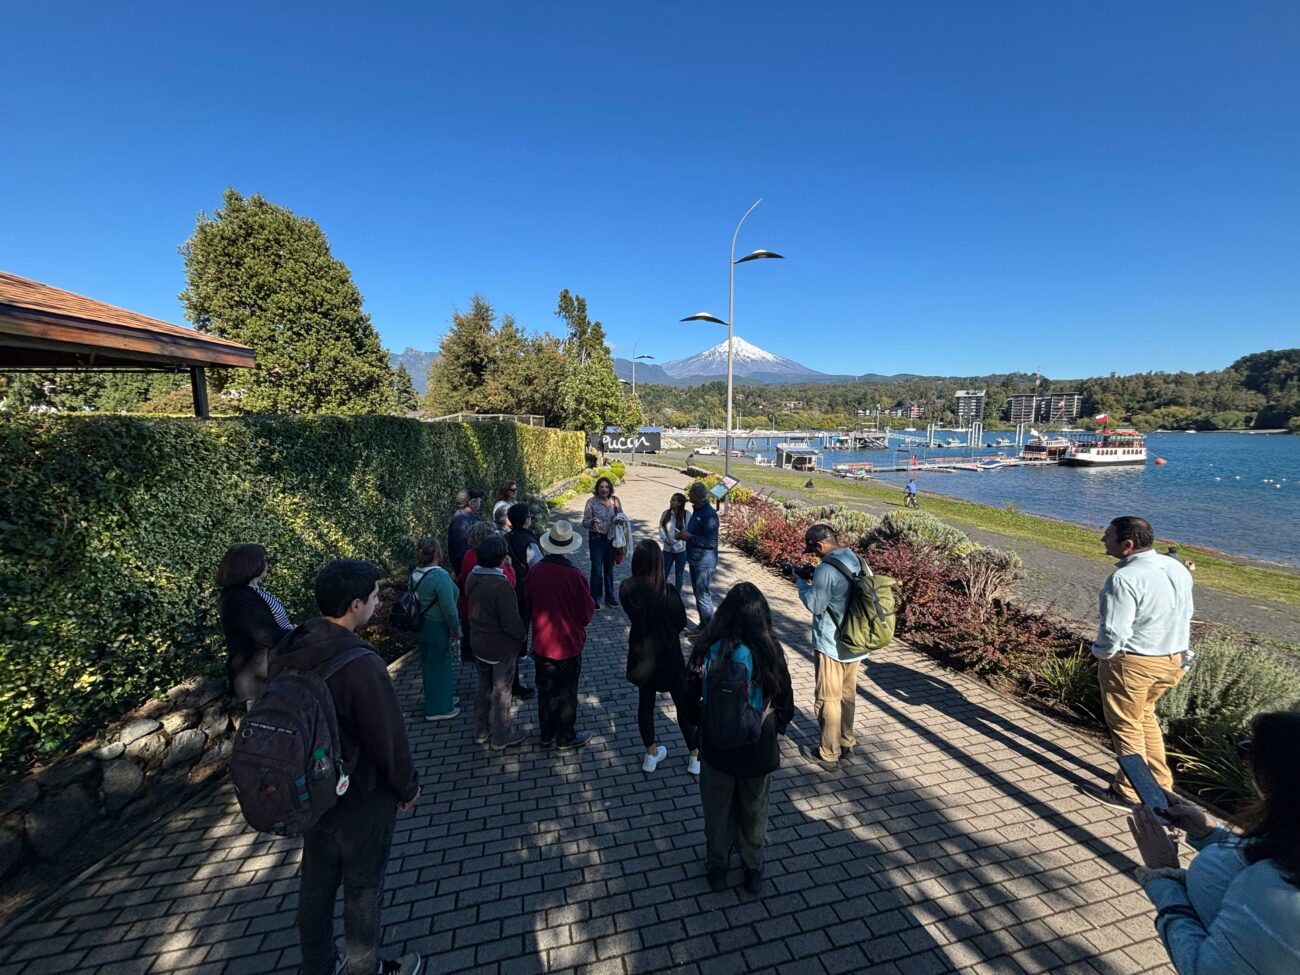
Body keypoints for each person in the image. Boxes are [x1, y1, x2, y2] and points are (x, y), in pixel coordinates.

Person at [270, 559, 421, 975]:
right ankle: (364, 968)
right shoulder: (359, 662)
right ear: (355, 604)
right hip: (360, 793)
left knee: (316, 883)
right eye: (374, 597)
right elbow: (386, 735)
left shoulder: (290, 648)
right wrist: (407, 785)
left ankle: (317, 965)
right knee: (363, 887)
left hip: (309, 790)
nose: (377, 603)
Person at [1127, 711, 1300, 974]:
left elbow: (1204, 969)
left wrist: (1164, 876)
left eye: (1249, 752)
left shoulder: (1274, 894)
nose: (1245, 759)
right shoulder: (1290, 833)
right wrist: (1208, 832)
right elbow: (1262, 853)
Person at [686, 582, 794, 895]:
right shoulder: (769, 649)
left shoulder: (708, 646)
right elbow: (785, 698)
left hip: (716, 746)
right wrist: (780, 725)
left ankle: (718, 867)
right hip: (757, 746)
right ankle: (752, 869)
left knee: (716, 809)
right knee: (754, 809)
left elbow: (688, 696)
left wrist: (701, 723)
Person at [1089, 515, 1194, 809]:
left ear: (1127, 544)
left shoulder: (1124, 579)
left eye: (1107, 536)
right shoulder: (1176, 568)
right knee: (1146, 719)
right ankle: (1160, 783)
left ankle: (1130, 791)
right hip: (1171, 658)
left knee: (1126, 728)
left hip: (1134, 662)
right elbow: (1186, 612)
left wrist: (1100, 653)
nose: (1102, 540)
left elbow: (1114, 631)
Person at [619, 539, 699, 775]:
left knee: (645, 703)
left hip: (641, 652)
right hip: (668, 654)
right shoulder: (667, 591)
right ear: (658, 563)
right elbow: (681, 622)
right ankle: (694, 755)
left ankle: (651, 753)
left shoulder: (626, 588)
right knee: (682, 704)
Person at [794, 524, 870, 769]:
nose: (814, 556)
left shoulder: (826, 569)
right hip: (856, 641)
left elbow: (815, 605)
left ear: (820, 545)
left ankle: (828, 753)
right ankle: (847, 742)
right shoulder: (858, 559)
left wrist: (801, 584)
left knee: (828, 698)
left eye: (814, 551)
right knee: (847, 696)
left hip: (832, 645)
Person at [527, 520, 596, 750]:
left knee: (546, 691)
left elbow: (529, 601)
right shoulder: (575, 576)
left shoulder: (535, 571)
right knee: (567, 691)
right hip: (568, 644)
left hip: (542, 643)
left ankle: (546, 735)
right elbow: (586, 614)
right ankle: (565, 736)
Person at [464, 535, 527, 751]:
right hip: (500, 647)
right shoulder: (501, 586)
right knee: (502, 691)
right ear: (501, 558)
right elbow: (511, 622)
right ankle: (502, 735)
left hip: (478, 642)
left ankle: (481, 731)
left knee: (483, 687)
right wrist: (522, 635)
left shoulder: (473, 577)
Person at [458, 522, 533, 698]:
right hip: (494, 622)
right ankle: (510, 690)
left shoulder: (469, 555)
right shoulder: (488, 562)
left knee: (484, 669)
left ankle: (487, 700)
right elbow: (509, 583)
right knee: (502, 669)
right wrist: (509, 566)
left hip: (475, 617)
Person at [217, 543, 293, 705]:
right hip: (256, 676)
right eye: (265, 560)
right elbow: (268, 636)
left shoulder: (252, 591)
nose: (267, 564)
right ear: (250, 564)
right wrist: (300, 632)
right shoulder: (239, 598)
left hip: (268, 665)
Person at [409, 536, 461, 721]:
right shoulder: (440, 576)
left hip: (421, 625)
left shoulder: (415, 574)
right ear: (437, 553)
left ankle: (440, 699)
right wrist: (456, 628)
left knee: (429, 665)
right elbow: (449, 608)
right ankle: (439, 708)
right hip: (437, 625)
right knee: (441, 665)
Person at [679, 482, 719, 635]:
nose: (688, 496)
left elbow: (711, 542)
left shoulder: (708, 515)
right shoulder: (697, 511)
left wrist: (690, 537)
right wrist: (686, 535)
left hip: (704, 563)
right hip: (695, 559)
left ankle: (710, 630)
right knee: (699, 594)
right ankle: (703, 625)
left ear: (697, 496)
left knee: (703, 596)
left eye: (690, 494)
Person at [581, 476, 623, 608]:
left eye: (606, 487)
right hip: (597, 539)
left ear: (610, 488)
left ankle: (610, 597)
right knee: (597, 569)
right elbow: (584, 522)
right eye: (601, 487)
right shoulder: (591, 502)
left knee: (609, 569)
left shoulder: (615, 501)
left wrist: (620, 520)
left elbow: (622, 516)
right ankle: (595, 598)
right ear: (597, 489)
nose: (604, 489)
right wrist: (591, 522)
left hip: (611, 539)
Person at [446, 487, 483, 581]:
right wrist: (462, 573)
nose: (480, 501)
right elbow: (462, 551)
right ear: (471, 503)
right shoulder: (461, 521)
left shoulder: (469, 516)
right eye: (479, 499)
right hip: (468, 573)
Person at [658, 492, 690, 593]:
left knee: (679, 574)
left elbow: (687, 533)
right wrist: (665, 539)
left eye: (673, 500)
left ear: (680, 503)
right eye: (671, 499)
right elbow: (661, 528)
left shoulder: (687, 514)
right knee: (664, 573)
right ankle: (661, 593)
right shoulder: (666, 513)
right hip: (667, 549)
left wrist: (676, 546)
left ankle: (677, 595)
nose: (671, 501)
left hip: (681, 550)